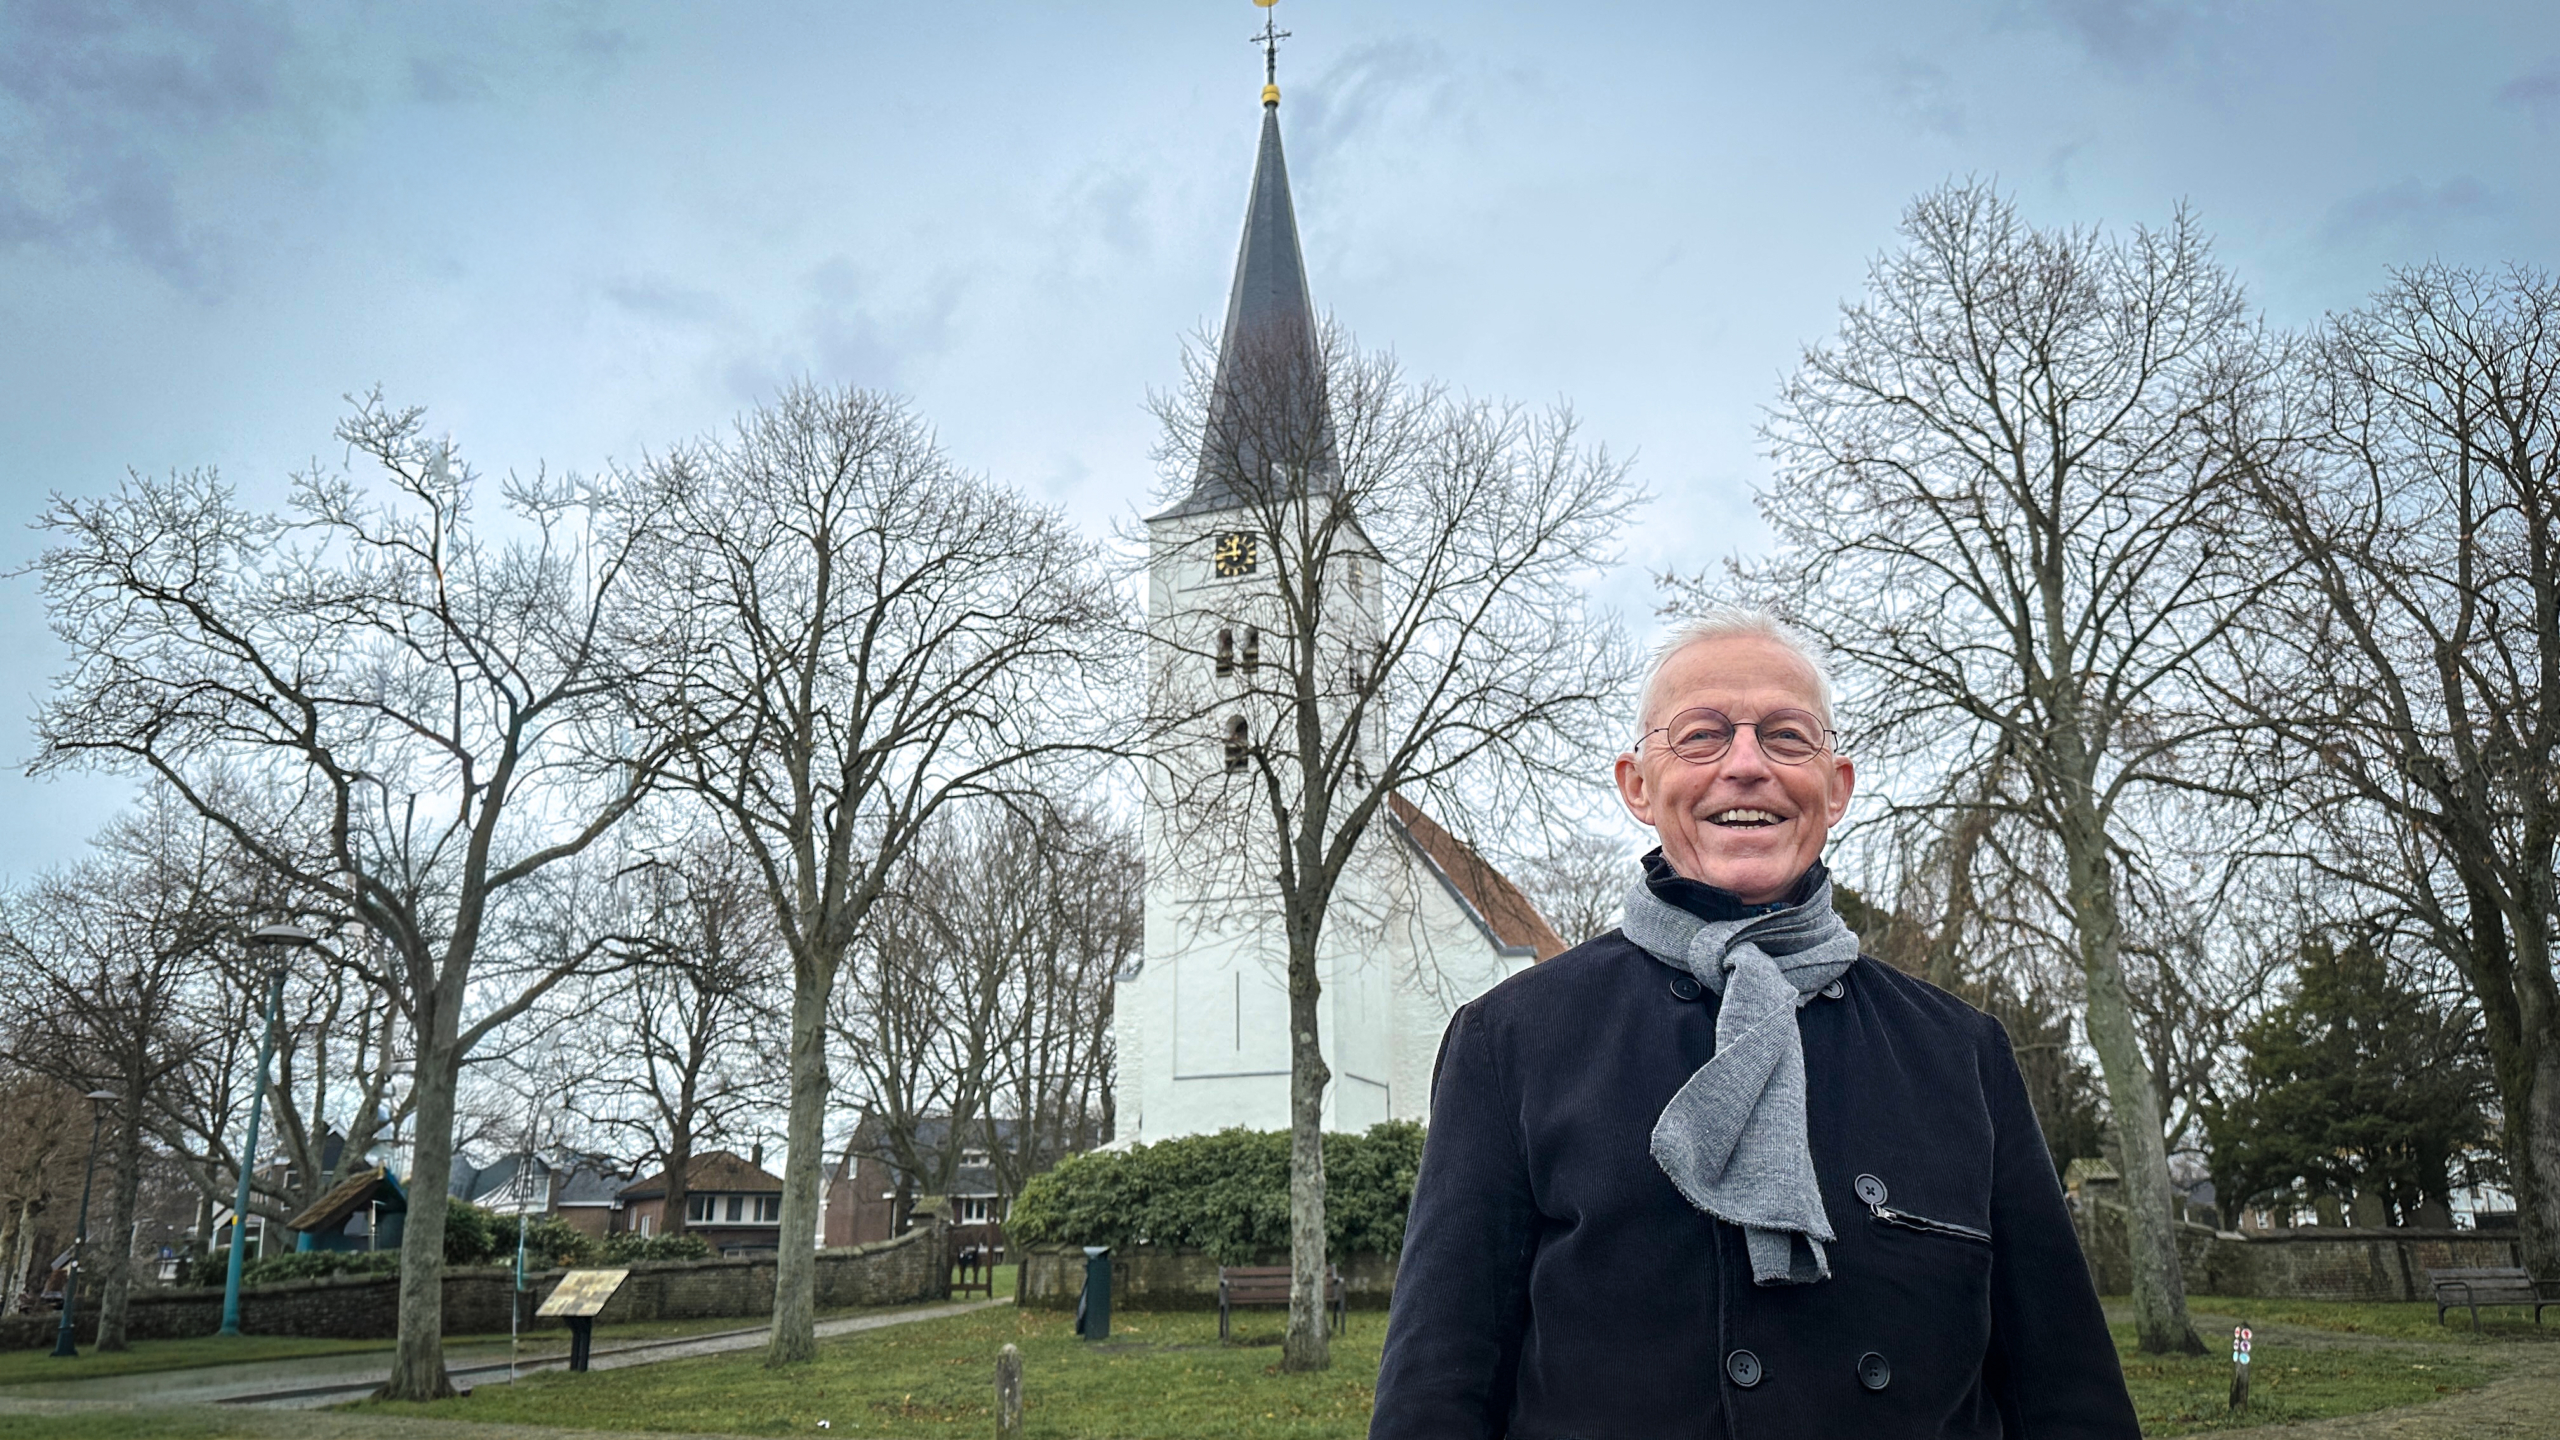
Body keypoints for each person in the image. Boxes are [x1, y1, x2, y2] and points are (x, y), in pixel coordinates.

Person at [1370, 611, 2137, 1438]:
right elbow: (1435, 1394)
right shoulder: (1509, 1041)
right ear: (1637, 784)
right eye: (1701, 736)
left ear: (1835, 786)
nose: (1745, 765)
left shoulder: (1962, 1053)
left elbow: (2068, 1397)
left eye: (1785, 736)